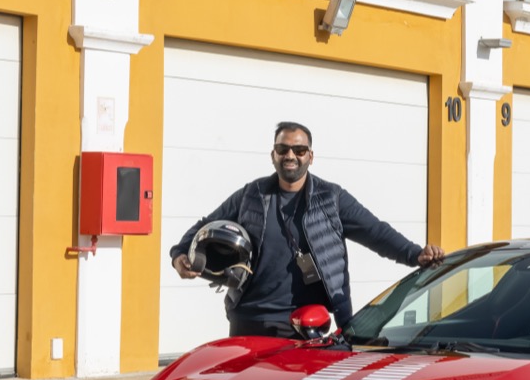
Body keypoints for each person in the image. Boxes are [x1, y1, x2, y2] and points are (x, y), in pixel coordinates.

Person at [171, 121, 444, 335]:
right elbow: (203, 226)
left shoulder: (332, 199)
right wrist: (179, 255)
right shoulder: (251, 195)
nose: (291, 155)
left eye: (299, 150)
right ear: (273, 155)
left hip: (308, 323)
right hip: (248, 318)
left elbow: (375, 232)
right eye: (283, 149)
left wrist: (414, 254)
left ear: (310, 156)